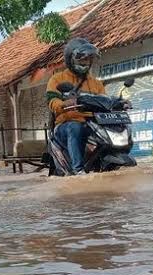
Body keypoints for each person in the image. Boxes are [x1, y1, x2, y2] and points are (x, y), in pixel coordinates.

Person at [47, 38, 106, 175]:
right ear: (71, 59)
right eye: (81, 59)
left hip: (91, 124)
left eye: (88, 59)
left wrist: (120, 103)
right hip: (65, 126)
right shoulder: (57, 79)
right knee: (75, 127)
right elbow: (52, 101)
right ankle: (78, 169)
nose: (85, 62)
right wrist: (63, 104)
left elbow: (104, 101)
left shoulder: (96, 83)